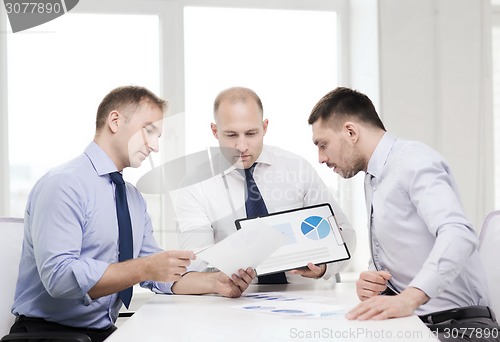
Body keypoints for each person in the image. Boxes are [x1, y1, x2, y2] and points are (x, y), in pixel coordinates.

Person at [308, 86, 499, 341]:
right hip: (413, 324)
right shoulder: (373, 177)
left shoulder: (412, 160)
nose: (321, 158)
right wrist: (373, 280)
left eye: (323, 145)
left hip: (459, 326)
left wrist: (410, 297)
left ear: (351, 132)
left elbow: (459, 234)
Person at [9, 86, 196, 342]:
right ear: (115, 121)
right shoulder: (63, 184)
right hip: (49, 336)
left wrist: (217, 283)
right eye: (149, 130)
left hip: (102, 333)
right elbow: (60, 278)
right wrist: (145, 268)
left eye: (158, 136)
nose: (154, 146)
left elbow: (157, 271)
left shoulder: (132, 198)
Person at [171, 86, 356, 297]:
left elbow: (345, 233)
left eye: (251, 133)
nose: (241, 146)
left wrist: (325, 267)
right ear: (215, 131)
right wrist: (219, 279)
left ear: (265, 127)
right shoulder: (195, 185)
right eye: (231, 135)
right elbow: (197, 266)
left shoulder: (296, 168)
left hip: (308, 296)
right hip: (239, 304)